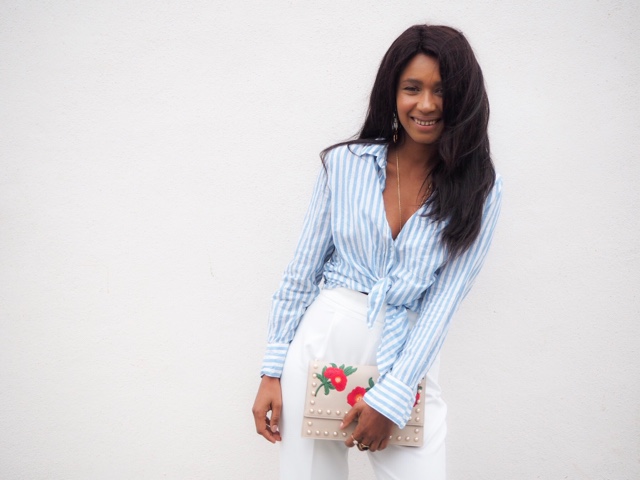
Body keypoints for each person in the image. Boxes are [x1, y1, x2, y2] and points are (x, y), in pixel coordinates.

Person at [252, 24, 503, 480]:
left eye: (441, 90)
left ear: (463, 97)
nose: (426, 104)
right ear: (393, 92)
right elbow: (301, 273)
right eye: (412, 88)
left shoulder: (481, 189)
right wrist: (271, 370)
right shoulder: (344, 164)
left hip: (405, 357)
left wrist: (392, 396)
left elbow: (444, 301)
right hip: (322, 340)